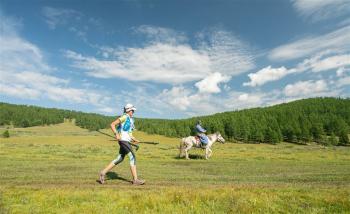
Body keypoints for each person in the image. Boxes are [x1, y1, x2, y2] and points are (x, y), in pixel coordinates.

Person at [99, 104, 145, 185]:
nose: (133, 112)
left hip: (126, 140)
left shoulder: (131, 120)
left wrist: (134, 139)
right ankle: (135, 180)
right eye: (132, 110)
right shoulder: (124, 117)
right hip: (123, 140)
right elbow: (112, 124)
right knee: (132, 157)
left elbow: (129, 132)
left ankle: (103, 172)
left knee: (120, 158)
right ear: (128, 110)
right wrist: (116, 134)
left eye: (133, 110)